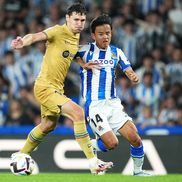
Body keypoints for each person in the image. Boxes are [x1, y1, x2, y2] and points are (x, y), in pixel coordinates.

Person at [10, 3, 113, 174]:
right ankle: (93, 162)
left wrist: (83, 64)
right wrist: (23, 41)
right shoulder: (57, 31)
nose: (79, 23)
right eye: (76, 20)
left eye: (82, 20)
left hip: (56, 89)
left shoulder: (75, 37)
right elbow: (36, 36)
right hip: (45, 87)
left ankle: (20, 155)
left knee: (48, 125)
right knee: (78, 113)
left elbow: (70, 53)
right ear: (67, 18)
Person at [75, 14, 151, 176]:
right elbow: (65, 54)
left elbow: (127, 68)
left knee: (135, 138)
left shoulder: (116, 52)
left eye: (108, 33)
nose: (105, 37)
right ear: (93, 35)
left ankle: (138, 171)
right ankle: (86, 144)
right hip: (94, 105)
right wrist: (82, 64)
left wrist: (132, 76)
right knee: (112, 143)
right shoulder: (85, 50)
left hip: (113, 105)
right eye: (101, 34)